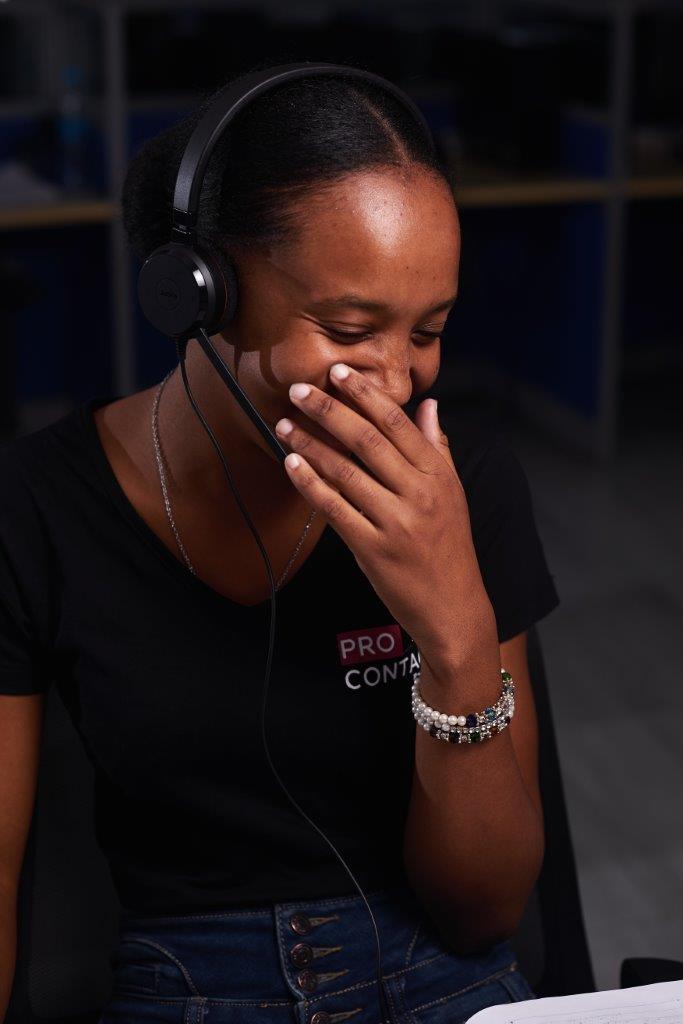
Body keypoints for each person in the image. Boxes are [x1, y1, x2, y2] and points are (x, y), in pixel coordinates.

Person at [0, 62, 560, 1024]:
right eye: (348, 327)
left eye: (428, 331)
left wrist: (455, 633)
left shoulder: (464, 486)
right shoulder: (33, 506)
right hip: (187, 988)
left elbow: (484, 910)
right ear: (197, 293)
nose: (396, 383)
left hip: (438, 972)